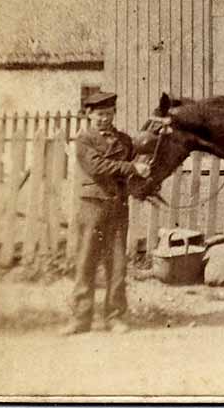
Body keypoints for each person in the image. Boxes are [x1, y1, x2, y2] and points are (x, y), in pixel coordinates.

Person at [60, 92, 150, 336]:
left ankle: (115, 317)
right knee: (86, 261)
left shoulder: (124, 140)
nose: (104, 119)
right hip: (92, 205)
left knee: (118, 264)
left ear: (114, 114)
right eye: (99, 115)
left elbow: (139, 161)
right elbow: (97, 167)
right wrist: (131, 168)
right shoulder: (83, 139)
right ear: (89, 115)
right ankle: (81, 318)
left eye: (108, 114)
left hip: (118, 205)